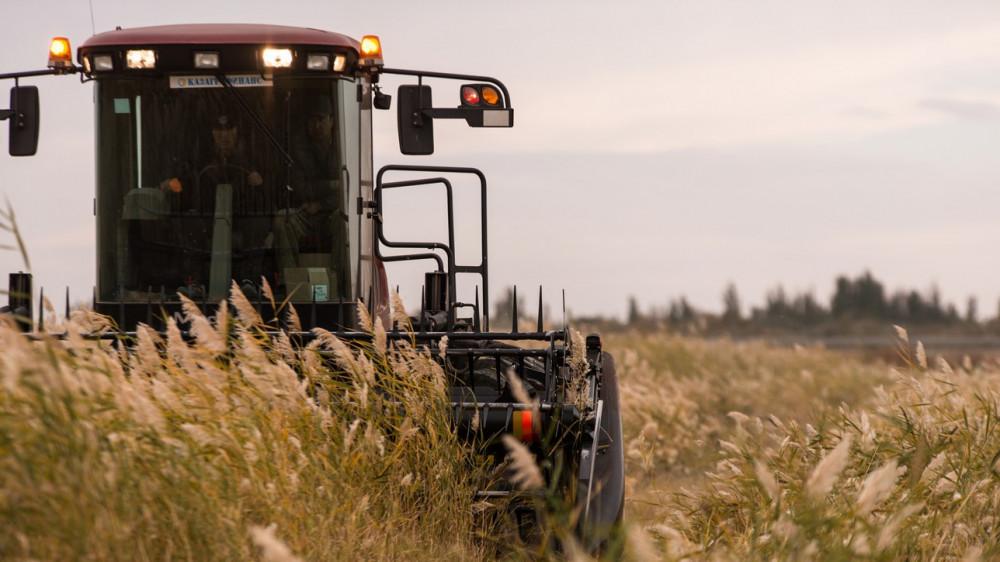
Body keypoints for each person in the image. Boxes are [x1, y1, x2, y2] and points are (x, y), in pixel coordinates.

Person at [273, 95, 349, 297]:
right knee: (283, 219)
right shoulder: (298, 148)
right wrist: (332, 184)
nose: (316, 125)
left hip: (331, 213)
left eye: (321, 119)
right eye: (312, 120)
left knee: (344, 220)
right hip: (306, 213)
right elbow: (299, 187)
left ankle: (338, 284)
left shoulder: (346, 147)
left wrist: (321, 204)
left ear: (332, 120)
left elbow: (349, 191)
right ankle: (289, 285)